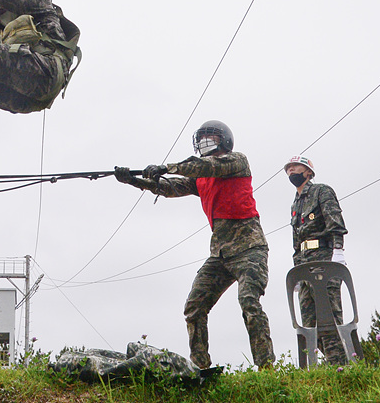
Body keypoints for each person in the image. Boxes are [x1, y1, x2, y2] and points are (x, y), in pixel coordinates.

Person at [114, 120, 275, 370]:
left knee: (249, 302)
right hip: (220, 254)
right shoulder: (201, 178)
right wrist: (133, 180)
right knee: (195, 306)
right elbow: (170, 187)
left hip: (250, 249)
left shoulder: (236, 162)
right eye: (201, 139)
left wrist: (166, 166)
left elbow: (202, 165)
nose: (204, 143)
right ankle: (200, 367)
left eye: (210, 137)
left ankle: (266, 369)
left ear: (225, 141)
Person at [284, 155, 349, 365]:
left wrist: (338, 251)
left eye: (296, 167)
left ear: (308, 172)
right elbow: (296, 241)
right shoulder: (295, 204)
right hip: (303, 265)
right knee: (309, 323)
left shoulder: (322, 191)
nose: (291, 170)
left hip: (323, 259)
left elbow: (334, 220)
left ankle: (343, 367)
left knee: (329, 316)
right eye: (289, 168)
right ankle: (330, 364)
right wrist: (296, 270)